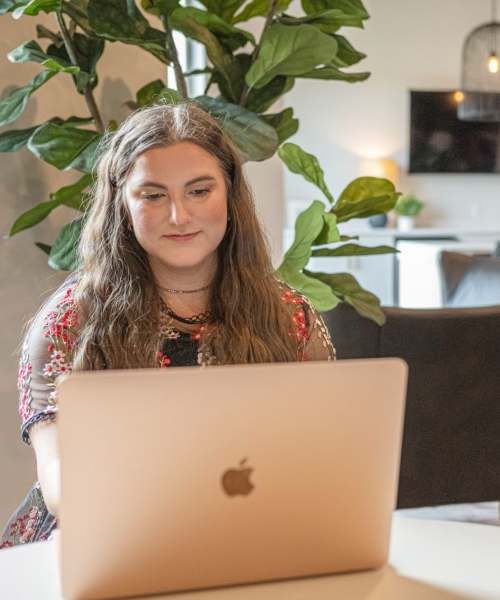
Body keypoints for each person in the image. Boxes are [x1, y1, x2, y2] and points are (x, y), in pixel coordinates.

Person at [0, 101, 335, 548]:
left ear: (231, 196)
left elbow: (326, 456)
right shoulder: (69, 322)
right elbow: (61, 482)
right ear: (122, 204)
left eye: (199, 191)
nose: (179, 215)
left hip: (253, 536)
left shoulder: (288, 315)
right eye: (153, 195)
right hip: (98, 544)